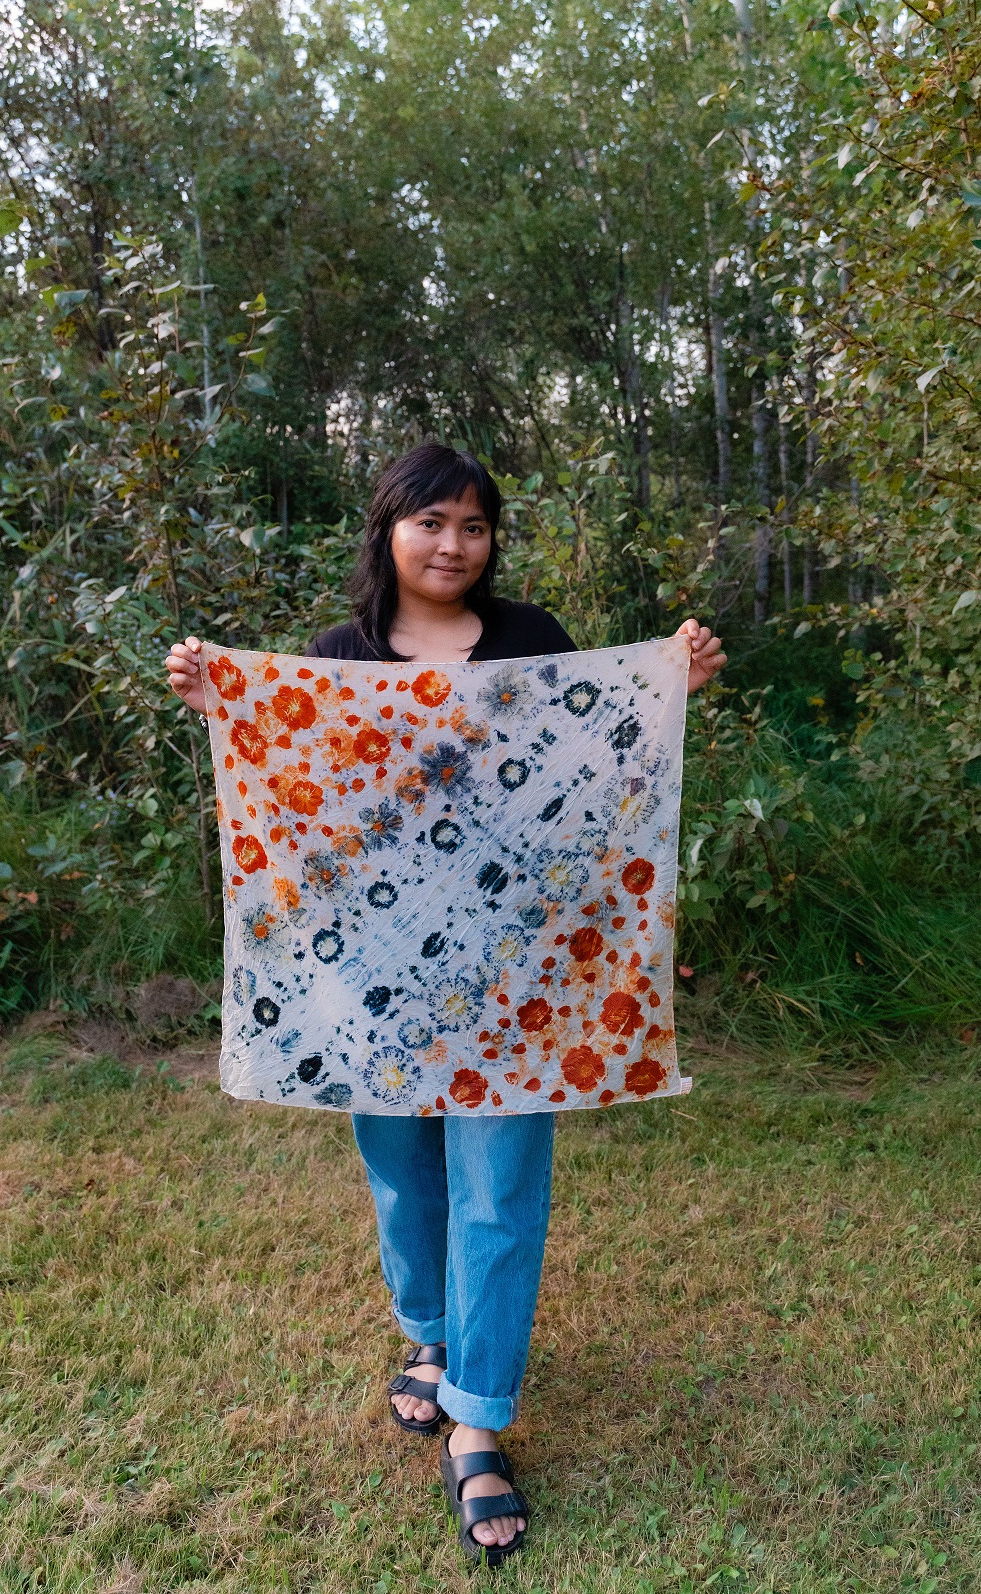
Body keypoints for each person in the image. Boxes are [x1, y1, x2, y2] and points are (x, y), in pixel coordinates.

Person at [165, 443, 726, 1565]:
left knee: (501, 1188)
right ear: (388, 531)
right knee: (402, 1173)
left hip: (518, 977)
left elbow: (595, 770)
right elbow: (305, 800)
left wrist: (670, 685)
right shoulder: (339, 656)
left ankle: (478, 1416)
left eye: (472, 526)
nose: (452, 545)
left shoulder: (533, 643)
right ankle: (428, 1336)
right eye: (431, 523)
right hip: (374, 979)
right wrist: (220, 699)